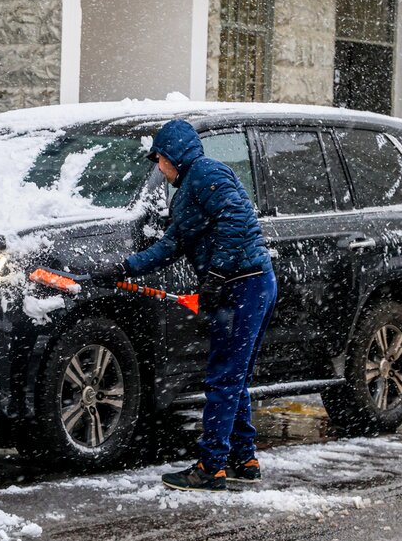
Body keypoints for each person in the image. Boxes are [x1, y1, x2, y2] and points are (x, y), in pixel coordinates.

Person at [92, 119, 277, 492]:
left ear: (173, 155)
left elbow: (237, 219)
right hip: (245, 285)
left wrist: (217, 276)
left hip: (245, 287)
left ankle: (210, 467)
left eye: (159, 158)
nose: (158, 167)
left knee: (224, 377)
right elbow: (172, 245)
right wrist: (125, 268)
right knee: (233, 376)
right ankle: (244, 459)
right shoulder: (189, 189)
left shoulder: (207, 173)